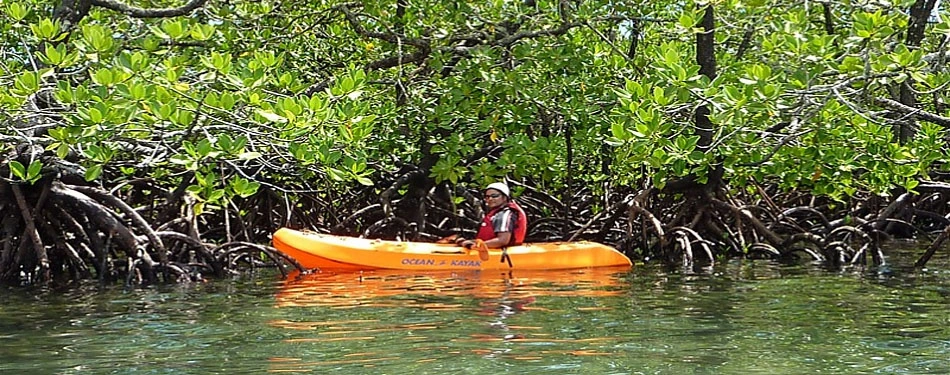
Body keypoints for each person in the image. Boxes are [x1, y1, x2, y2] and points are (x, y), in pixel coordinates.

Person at [457, 182, 527, 249]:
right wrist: (470, 241)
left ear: (505, 197)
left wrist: (476, 245)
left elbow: (502, 240)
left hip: (502, 255)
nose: (490, 199)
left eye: (494, 196)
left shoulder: (504, 214)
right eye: (487, 197)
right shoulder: (497, 213)